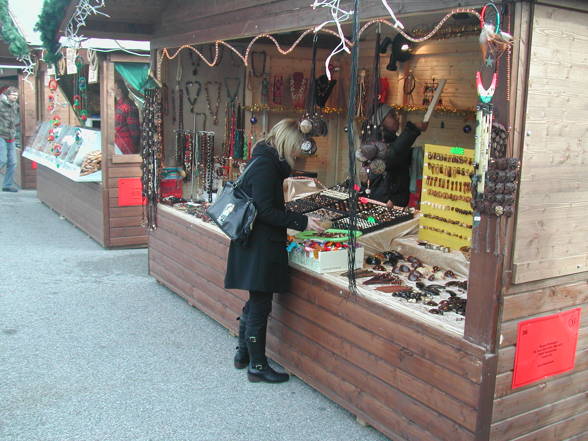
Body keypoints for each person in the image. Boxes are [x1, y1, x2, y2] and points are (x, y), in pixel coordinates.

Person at [224, 118, 324, 384]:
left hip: (253, 243)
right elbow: (265, 210)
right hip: (260, 246)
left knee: (255, 300)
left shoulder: (262, 160)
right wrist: (301, 222)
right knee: (260, 304)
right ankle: (257, 366)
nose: (295, 156)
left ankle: (243, 354)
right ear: (287, 143)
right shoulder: (267, 167)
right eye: (294, 149)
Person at [360, 104, 427, 207]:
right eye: (392, 116)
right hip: (383, 199)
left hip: (392, 198)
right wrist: (413, 129)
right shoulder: (373, 141)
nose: (397, 118)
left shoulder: (391, 138)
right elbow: (390, 158)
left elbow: (397, 156)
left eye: (396, 115)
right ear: (380, 121)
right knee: (376, 221)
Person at [0, 86, 20, 192]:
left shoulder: (15, 106)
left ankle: (7, 184)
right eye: (13, 95)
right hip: (1, 135)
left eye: (17, 95)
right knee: (2, 159)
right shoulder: (0, 103)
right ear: (8, 95)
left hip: (11, 136)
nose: (15, 97)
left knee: (13, 162)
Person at [114, 79, 140, 154]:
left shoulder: (129, 106)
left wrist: (135, 147)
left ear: (119, 90)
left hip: (127, 148)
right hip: (118, 146)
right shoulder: (118, 105)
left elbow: (134, 131)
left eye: (113, 88)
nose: (111, 90)